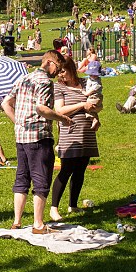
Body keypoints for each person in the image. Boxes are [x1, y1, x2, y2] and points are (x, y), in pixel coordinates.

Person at [1, 50, 72, 233]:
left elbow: (5, 103)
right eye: (58, 67)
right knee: (41, 179)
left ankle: (16, 222)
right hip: (39, 136)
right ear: (49, 62)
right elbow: (41, 108)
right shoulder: (45, 82)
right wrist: (61, 118)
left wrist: (18, 122)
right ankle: (38, 224)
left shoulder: (23, 79)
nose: (58, 72)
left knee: (22, 178)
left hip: (21, 137)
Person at [49, 56, 101, 221]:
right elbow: (60, 111)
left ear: (71, 68)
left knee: (80, 170)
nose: (61, 75)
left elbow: (96, 104)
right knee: (66, 170)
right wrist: (81, 105)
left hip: (86, 133)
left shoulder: (86, 84)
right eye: (59, 72)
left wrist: (96, 116)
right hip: (70, 134)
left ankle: (73, 204)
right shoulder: (59, 87)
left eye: (63, 71)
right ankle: (53, 208)